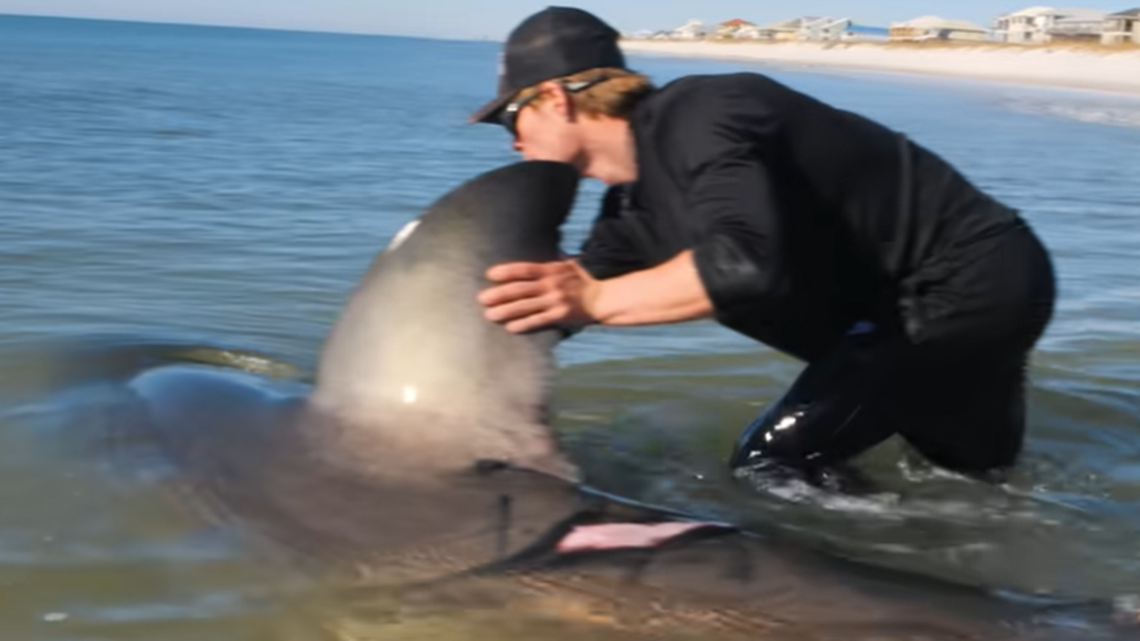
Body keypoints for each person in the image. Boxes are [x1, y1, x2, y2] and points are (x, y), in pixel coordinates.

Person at [469, 7, 1057, 487]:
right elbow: (547, 312)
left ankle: (855, 607)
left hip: (964, 282)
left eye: (510, 118)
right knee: (972, 490)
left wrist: (593, 300)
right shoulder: (629, 215)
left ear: (556, 97)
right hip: (936, 307)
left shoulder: (703, 113)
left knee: (770, 467)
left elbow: (744, 264)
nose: (513, 141)